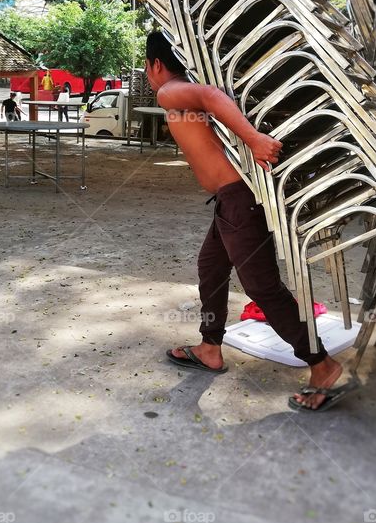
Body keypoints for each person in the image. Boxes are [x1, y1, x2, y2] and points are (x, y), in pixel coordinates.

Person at [144, 31, 358, 412]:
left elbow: (211, 96)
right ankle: (210, 347)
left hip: (239, 200)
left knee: (262, 286)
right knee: (211, 267)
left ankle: (321, 364)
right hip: (228, 201)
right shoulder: (179, 93)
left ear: (156, 64)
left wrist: (254, 139)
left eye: (147, 67)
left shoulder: (170, 91)